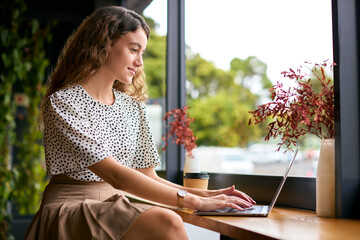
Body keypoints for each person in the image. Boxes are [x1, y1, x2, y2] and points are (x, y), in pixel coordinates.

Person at [25, 6, 255, 240]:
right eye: (134, 49)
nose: (140, 62)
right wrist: (194, 200)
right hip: (72, 209)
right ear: (103, 44)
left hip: (116, 205)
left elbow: (148, 176)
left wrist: (207, 196)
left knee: (166, 221)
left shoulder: (132, 107)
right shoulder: (64, 102)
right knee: (167, 221)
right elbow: (117, 176)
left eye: (142, 52)